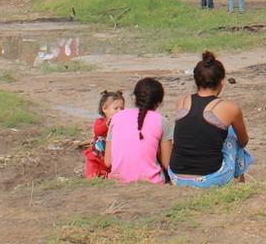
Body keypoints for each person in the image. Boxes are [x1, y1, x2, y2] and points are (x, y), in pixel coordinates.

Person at [167, 52, 253, 187]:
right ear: (222, 81)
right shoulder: (230, 108)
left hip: (176, 176)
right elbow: (243, 141)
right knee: (231, 134)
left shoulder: (181, 102)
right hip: (210, 178)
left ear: (196, 80)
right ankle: (240, 184)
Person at [106, 77, 172, 184]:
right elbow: (166, 163)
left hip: (118, 181)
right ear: (159, 102)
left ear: (134, 97)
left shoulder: (116, 118)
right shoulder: (162, 121)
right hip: (152, 181)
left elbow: (108, 161)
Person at [85, 90, 125, 179]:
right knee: (92, 174)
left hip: (112, 157)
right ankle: (94, 176)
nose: (119, 111)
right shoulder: (100, 122)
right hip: (97, 156)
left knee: (111, 173)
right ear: (104, 109)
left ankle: (106, 175)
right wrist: (107, 125)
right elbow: (97, 132)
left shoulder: (122, 124)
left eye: (122, 108)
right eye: (116, 108)